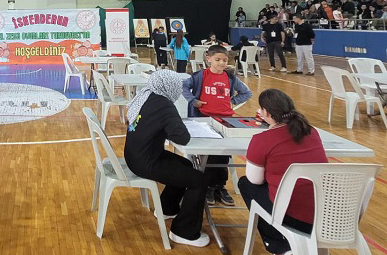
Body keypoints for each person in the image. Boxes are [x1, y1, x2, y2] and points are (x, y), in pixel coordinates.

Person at [123, 69, 211, 247]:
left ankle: (166, 208)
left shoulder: (147, 95)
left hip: (136, 156)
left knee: (186, 165)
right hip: (146, 162)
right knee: (199, 180)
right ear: (170, 87)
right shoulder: (164, 105)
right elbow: (182, 137)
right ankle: (184, 232)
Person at [238, 89, 327, 255]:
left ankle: (279, 246)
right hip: (325, 213)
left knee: (245, 184)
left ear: (265, 112)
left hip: (293, 216)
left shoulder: (262, 140)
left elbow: (255, 180)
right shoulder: (311, 131)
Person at [182, 45, 252, 206]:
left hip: (225, 121)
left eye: (225, 60)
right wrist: (193, 101)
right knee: (209, 154)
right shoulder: (200, 76)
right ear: (208, 59)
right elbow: (184, 86)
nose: (221, 63)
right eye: (217, 59)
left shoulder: (230, 78)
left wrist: (232, 101)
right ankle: (207, 186)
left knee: (223, 155)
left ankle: (219, 186)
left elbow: (247, 93)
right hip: (204, 120)